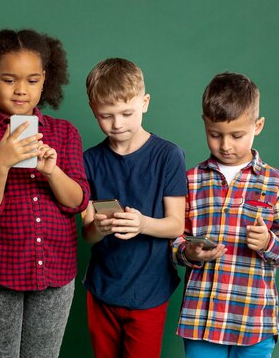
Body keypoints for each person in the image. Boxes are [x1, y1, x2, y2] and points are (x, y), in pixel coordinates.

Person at [0, 26, 90, 358]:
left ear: (45, 79)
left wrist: (52, 171)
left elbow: (78, 201)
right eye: (8, 79)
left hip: (55, 272)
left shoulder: (65, 133)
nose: (21, 90)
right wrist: (1, 162)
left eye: (32, 80)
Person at [172, 72, 279, 358]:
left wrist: (268, 242)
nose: (225, 145)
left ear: (258, 126)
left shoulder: (276, 184)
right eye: (215, 135)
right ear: (205, 124)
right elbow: (174, 239)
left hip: (254, 321)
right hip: (201, 321)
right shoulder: (190, 181)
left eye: (237, 135)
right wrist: (187, 252)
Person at [82, 58, 187, 358]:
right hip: (102, 287)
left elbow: (175, 224)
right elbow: (87, 234)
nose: (117, 124)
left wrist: (142, 224)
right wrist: (98, 228)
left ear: (145, 103)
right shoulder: (89, 160)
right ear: (93, 109)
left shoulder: (168, 156)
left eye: (126, 113)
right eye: (106, 115)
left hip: (149, 288)